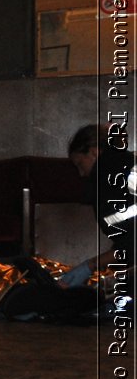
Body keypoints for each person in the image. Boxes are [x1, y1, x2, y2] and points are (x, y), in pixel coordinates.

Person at [62, 123, 136, 288]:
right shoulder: (128, 166)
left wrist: (90, 265)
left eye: (80, 164)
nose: (81, 174)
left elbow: (131, 244)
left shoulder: (107, 184)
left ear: (94, 152)